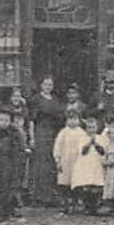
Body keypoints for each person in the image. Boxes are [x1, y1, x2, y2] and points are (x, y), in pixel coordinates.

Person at [28, 76, 63, 205]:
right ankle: (38, 196)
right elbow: (32, 120)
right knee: (40, 164)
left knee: (51, 164)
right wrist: (32, 137)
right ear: (41, 85)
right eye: (46, 84)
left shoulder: (55, 100)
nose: (48, 87)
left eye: (50, 84)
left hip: (53, 133)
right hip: (41, 132)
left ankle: (50, 196)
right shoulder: (36, 99)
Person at [71, 115, 107, 215]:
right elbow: (82, 151)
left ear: (97, 128)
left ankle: (94, 207)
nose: (91, 130)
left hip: (96, 164)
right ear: (86, 129)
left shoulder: (100, 138)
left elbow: (103, 151)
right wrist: (89, 143)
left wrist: (95, 143)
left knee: (96, 185)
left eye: (93, 127)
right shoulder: (82, 138)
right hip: (86, 164)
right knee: (86, 185)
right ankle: (87, 206)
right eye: (89, 127)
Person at [53, 107, 86, 214]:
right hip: (65, 161)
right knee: (64, 182)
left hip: (77, 161)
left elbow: (84, 146)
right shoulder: (63, 132)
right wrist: (58, 159)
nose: (72, 121)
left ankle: (76, 202)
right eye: (70, 119)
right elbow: (57, 146)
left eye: (75, 119)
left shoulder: (81, 132)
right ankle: (66, 203)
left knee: (76, 182)